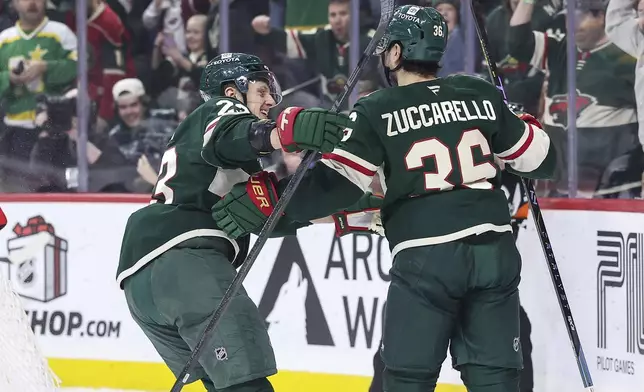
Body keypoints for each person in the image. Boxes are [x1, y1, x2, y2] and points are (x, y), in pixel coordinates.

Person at [212, 5, 557, 392]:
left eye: (384, 49)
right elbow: (542, 160)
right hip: (495, 250)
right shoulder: (478, 91)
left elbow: (336, 186)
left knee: (405, 377)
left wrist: (272, 206)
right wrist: (525, 124)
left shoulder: (377, 108)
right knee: (496, 378)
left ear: (396, 54)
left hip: (427, 255)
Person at [115, 52, 349, 392]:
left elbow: (274, 214)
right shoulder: (222, 111)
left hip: (143, 279)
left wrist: (355, 211)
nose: (270, 101)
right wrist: (287, 130)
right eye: (260, 91)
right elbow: (231, 134)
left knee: (226, 385)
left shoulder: (220, 157)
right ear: (231, 92)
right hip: (186, 263)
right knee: (247, 385)